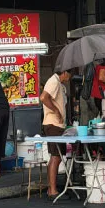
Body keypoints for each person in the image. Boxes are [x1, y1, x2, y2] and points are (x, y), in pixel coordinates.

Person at [40, 68, 71, 199]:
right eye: (69, 74)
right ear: (64, 72)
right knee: (56, 156)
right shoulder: (53, 81)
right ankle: (52, 190)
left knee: (56, 156)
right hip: (53, 124)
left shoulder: (60, 84)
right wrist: (56, 111)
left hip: (58, 125)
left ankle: (51, 188)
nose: (70, 77)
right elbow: (43, 97)